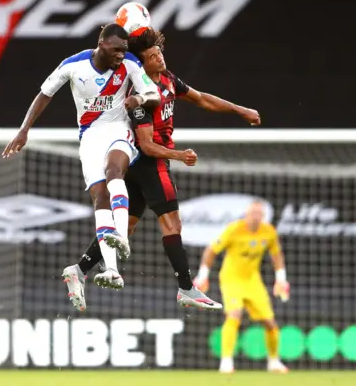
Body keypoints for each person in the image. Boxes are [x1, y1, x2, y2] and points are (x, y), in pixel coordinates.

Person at [63, 27, 261, 311]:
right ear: (142, 64)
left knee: (125, 228)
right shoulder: (141, 96)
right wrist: (179, 155)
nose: (160, 58)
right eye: (153, 56)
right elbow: (145, 145)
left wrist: (240, 110)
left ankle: (79, 270)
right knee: (172, 224)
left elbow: (202, 98)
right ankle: (186, 288)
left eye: (160, 52)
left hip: (138, 165)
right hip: (149, 163)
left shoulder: (168, 80)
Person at [2, 24, 160, 307]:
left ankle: (121, 237)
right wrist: (24, 129)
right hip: (90, 137)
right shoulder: (73, 65)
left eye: (123, 52)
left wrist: (138, 97)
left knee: (115, 170)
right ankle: (111, 269)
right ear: (101, 43)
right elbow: (44, 94)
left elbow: (154, 94)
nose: (120, 57)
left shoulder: (130, 64)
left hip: (117, 130)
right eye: (115, 51)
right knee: (100, 197)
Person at [193, 199, 290, 373]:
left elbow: (277, 255)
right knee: (234, 314)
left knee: (270, 322)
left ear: (263, 216)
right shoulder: (234, 229)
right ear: (246, 215)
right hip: (231, 279)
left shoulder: (269, 232)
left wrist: (281, 278)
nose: (255, 217)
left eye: (259, 214)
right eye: (252, 213)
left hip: (253, 281)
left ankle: (274, 361)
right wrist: (202, 277)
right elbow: (211, 250)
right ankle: (226, 361)